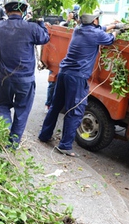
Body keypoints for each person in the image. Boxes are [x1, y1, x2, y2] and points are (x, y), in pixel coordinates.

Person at [38, 9, 123, 157]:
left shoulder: (79, 30)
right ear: (95, 21)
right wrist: (118, 31)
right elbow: (109, 39)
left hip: (64, 72)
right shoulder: (96, 34)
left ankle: (44, 135)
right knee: (76, 109)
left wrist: (114, 26)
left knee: (56, 105)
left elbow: (102, 29)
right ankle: (64, 145)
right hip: (77, 77)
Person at [0, 0, 50, 149]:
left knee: (3, 106)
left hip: (5, 77)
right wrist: (40, 23)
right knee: (22, 111)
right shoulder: (31, 28)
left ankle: (3, 133)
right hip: (25, 80)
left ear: (5, 10)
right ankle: (13, 144)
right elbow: (45, 38)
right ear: (24, 9)